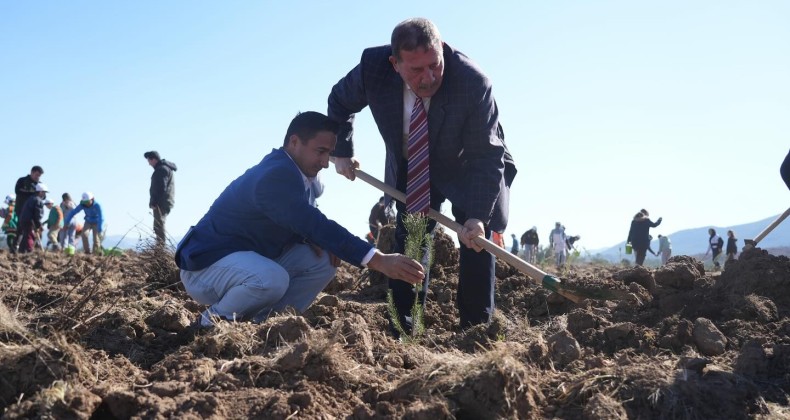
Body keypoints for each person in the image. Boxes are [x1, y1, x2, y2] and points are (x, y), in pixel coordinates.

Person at [328, 18, 516, 334]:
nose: (428, 78)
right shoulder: (373, 68)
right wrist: (342, 150)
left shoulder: (472, 82)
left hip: (469, 165)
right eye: (416, 70)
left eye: (434, 65)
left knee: (476, 243)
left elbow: (486, 156)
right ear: (395, 64)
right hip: (412, 162)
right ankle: (405, 324)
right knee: (412, 234)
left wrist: (477, 217)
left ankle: (475, 329)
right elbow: (339, 101)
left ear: (442, 50)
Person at [175, 112, 424, 328]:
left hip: (248, 257)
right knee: (272, 279)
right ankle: (211, 323)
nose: (326, 162)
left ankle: (266, 326)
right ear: (294, 142)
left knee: (323, 261)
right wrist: (377, 259)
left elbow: (298, 220)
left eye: (330, 153)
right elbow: (311, 222)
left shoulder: (302, 174)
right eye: (320, 151)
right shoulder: (276, 174)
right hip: (205, 267)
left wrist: (312, 238)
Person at [144, 151, 177, 246]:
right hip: (165, 201)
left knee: (158, 225)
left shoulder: (161, 170)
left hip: (161, 202)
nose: (148, 163)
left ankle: (161, 249)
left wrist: (154, 202)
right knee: (158, 225)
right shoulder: (164, 169)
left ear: (153, 159)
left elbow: (160, 187)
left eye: (149, 160)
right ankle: (160, 247)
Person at [16, 183, 48, 253]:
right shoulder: (38, 200)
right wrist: (39, 225)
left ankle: (21, 251)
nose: (44, 194)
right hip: (29, 220)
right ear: (40, 192)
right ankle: (29, 250)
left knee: (26, 235)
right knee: (30, 236)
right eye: (44, 192)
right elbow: (38, 214)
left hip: (24, 219)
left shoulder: (31, 198)